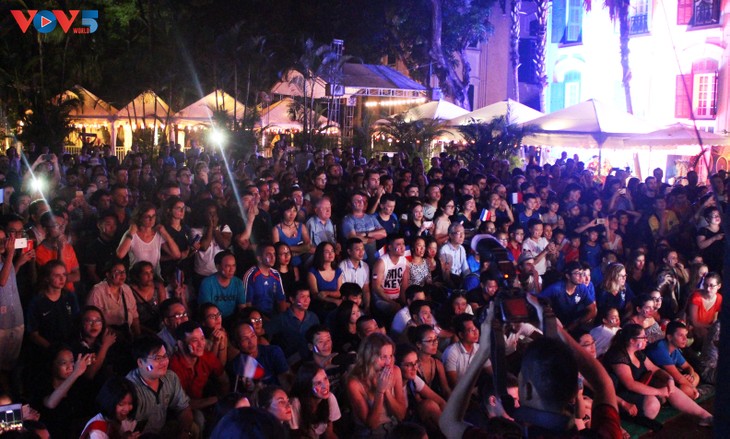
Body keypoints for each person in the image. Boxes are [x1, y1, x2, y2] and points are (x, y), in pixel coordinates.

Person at [440, 304, 622, 439]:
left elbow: (448, 422)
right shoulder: (602, 435)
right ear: (575, 390)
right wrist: (552, 325)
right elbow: (603, 382)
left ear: (526, 390)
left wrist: (483, 352)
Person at [602, 323, 712, 424]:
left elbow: (655, 369)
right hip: (620, 394)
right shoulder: (618, 356)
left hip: (639, 388)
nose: (646, 340)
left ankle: (705, 416)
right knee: (652, 406)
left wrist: (669, 379)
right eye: (643, 337)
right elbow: (630, 384)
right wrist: (658, 391)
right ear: (632, 340)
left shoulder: (638, 353)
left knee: (669, 389)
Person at [125, 336, 195, 436]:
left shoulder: (170, 378)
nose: (164, 362)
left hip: (162, 430)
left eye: (165, 356)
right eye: (157, 358)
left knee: (194, 427)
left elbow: (183, 407)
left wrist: (184, 432)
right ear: (140, 362)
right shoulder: (130, 390)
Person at [346, 333, 406, 438]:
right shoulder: (354, 383)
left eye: (390, 356)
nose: (388, 362)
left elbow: (401, 415)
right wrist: (379, 391)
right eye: (383, 357)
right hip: (370, 434)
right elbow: (371, 424)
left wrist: (386, 390)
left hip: (394, 428)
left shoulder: (396, 371)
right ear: (369, 357)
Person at [32, 345, 94, 438]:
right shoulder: (42, 387)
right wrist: (76, 372)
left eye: (72, 362)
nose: (70, 367)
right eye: (64, 363)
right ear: (52, 364)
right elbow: (50, 403)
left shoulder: (77, 387)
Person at [169, 321, 229, 414]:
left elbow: (224, 380)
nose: (201, 344)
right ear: (180, 344)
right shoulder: (173, 367)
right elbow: (183, 404)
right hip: (180, 412)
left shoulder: (206, 357)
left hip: (205, 403)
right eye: (195, 341)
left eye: (202, 338)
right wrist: (217, 399)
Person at [26, 261, 80, 350]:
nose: (62, 279)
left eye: (64, 274)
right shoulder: (37, 302)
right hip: (46, 349)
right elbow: (33, 334)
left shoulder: (70, 296)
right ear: (47, 278)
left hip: (69, 346)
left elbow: (77, 321)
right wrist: (53, 349)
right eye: (57, 275)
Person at [116, 201, 181, 275]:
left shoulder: (157, 235)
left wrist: (165, 234)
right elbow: (120, 255)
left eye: (153, 216)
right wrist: (130, 233)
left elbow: (177, 255)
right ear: (139, 218)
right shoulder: (132, 233)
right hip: (136, 277)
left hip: (154, 277)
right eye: (147, 216)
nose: (151, 219)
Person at [228, 321, 291, 392]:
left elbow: (286, 383)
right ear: (236, 343)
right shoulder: (236, 366)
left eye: (252, 335)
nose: (251, 342)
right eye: (245, 339)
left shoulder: (273, 352)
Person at [396, 344, 445, 434]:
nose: (414, 368)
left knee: (430, 407)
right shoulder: (391, 384)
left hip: (412, 422)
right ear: (397, 366)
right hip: (398, 428)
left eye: (416, 363)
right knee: (428, 405)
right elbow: (400, 417)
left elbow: (441, 401)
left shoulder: (413, 380)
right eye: (408, 365)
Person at [266, 281, 321, 363]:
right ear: (292, 299)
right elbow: (265, 335)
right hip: (290, 362)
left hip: (311, 360)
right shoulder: (281, 319)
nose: (306, 300)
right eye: (302, 297)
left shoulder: (313, 317)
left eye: (308, 296)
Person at [535, 261, 596, 332]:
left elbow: (592, 310)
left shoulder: (582, 288)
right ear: (568, 276)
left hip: (572, 324)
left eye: (581, 273)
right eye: (577, 273)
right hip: (555, 324)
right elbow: (536, 299)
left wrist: (577, 323)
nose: (581, 276)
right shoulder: (556, 288)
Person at [87, 259, 141, 339]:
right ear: (108, 274)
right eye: (117, 272)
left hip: (126, 336)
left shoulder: (126, 289)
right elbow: (91, 319)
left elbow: (134, 316)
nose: (122, 275)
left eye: (123, 272)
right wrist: (117, 335)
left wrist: (138, 337)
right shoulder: (97, 291)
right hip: (104, 337)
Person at [644, 321, 700, 399]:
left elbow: (688, 367)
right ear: (669, 337)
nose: (685, 339)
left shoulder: (674, 349)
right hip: (651, 382)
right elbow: (678, 378)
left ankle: (689, 394)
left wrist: (690, 376)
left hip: (670, 380)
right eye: (681, 335)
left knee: (695, 376)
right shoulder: (660, 348)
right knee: (684, 388)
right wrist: (693, 388)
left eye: (685, 335)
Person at [289, 362, 341, 438]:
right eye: (318, 383)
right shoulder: (296, 404)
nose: (325, 386)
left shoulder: (330, 398)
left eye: (325, 379)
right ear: (307, 386)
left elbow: (329, 434)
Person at [442, 314, 487, 389]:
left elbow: (491, 371)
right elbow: (454, 384)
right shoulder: (451, 352)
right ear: (461, 334)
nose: (475, 332)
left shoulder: (479, 348)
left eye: (476, 328)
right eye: (471, 330)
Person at [198, 250, 247, 319]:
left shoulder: (238, 282)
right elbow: (206, 310)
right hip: (213, 319)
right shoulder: (207, 283)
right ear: (218, 267)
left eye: (234, 265)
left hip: (232, 319)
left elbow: (242, 307)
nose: (232, 269)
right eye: (227, 266)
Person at [243, 243, 287, 317]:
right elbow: (247, 304)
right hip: (255, 317)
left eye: (274, 254)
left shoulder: (276, 274)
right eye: (269, 255)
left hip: (273, 315)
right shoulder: (251, 275)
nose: (273, 257)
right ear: (259, 258)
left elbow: (281, 300)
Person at [272, 199, 312, 269]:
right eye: (288, 211)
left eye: (294, 211)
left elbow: (308, 246)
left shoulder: (301, 226)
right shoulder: (276, 229)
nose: (292, 214)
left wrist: (288, 249)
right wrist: (299, 250)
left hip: (300, 263)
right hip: (283, 265)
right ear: (283, 212)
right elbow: (278, 250)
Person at [128, 261, 165, 333]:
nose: (150, 276)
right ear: (137, 276)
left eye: (151, 272)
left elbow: (163, 309)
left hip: (157, 325)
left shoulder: (158, 287)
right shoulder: (130, 291)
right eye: (145, 273)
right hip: (139, 327)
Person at [307, 242, 344, 313]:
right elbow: (315, 295)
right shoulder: (313, 271)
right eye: (327, 252)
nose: (331, 254)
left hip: (335, 305)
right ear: (320, 254)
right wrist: (333, 300)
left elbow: (339, 292)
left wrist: (327, 293)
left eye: (332, 251)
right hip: (319, 306)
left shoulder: (337, 271)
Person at [687, 271, 722, 342]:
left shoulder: (719, 298)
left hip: (708, 328)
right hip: (694, 329)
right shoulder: (696, 297)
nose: (708, 289)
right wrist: (711, 328)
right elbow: (694, 323)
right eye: (705, 285)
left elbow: (714, 319)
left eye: (711, 286)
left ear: (719, 286)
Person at [338, 238, 371, 311]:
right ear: (349, 251)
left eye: (362, 249)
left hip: (360, 302)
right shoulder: (342, 266)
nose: (361, 252)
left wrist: (367, 306)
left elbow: (366, 289)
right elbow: (341, 290)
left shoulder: (365, 266)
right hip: (347, 304)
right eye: (357, 250)